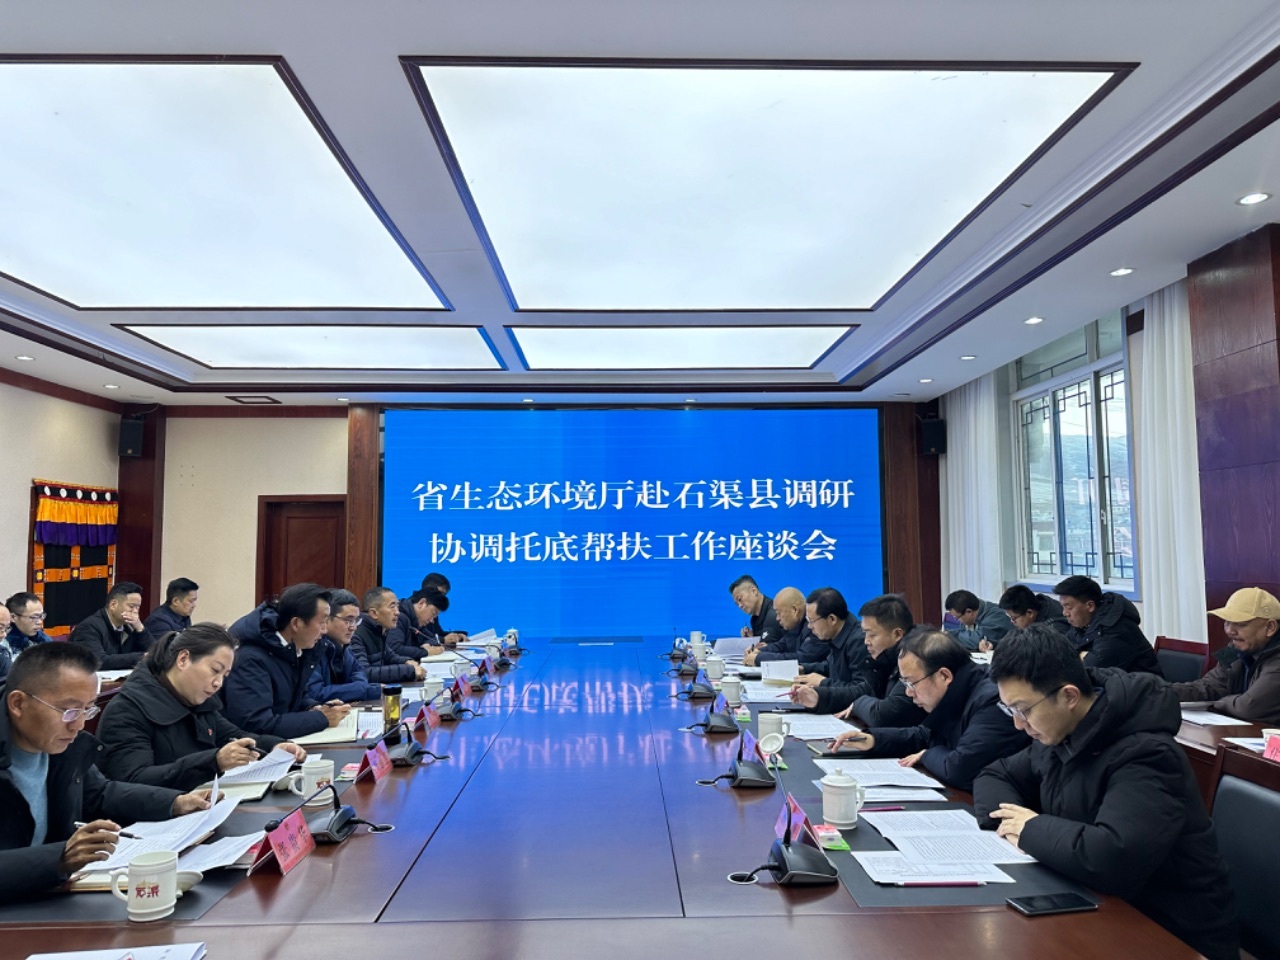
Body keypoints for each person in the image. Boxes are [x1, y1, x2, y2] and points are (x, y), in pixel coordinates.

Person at [975, 625, 1238, 960]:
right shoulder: (1059, 733)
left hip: (1169, 934)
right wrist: (1010, 823)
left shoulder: (1147, 754)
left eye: (1023, 709)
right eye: (1010, 710)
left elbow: (1114, 856)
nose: (1018, 723)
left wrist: (1030, 829)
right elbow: (995, 774)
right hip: (1090, 906)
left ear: (1069, 696)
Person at [0, 642, 211, 900]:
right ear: (18, 704)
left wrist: (175, 802)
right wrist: (59, 858)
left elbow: (99, 793)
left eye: (87, 709)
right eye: (68, 711)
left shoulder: (57, 744)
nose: (79, 725)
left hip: (44, 894)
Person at [97, 623, 306, 790]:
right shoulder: (126, 710)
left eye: (225, 675)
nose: (218, 683)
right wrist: (213, 762)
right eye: (215, 670)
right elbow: (133, 780)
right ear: (183, 659)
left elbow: (233, 736)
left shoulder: (199, 701)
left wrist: (273, 747)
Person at [831, 629, 1027, 791]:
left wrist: (927, 755)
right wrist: (873, 740)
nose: (908, 693)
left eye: (911, 683)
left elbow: (961, 769)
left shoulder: (993, 701)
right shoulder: (959, 690)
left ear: (944, 676)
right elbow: (926, 735)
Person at [223, 583, 350, 739]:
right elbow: (256, 724)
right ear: (296, 623)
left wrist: (314, 707)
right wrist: (322, 718)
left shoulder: (294, 649)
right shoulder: (251, 659)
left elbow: (294, 698)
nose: (325, 630)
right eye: (321, 622)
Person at [1169, 587, 1280, 725]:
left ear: (1270, 627)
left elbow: (1249, 707)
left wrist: (1219, 703)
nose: (1229, 631)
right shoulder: (1235, 648)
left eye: (1240, 624)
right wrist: (1163, 691)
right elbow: (1209, 687)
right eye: (1227, 622)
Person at [1055, 575, 1162, 675]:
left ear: (1090, 606)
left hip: (1143, 687)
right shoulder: (1083, 625)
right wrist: (1081, 656)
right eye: (1063, 607)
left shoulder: (1117, 628)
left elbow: (1088, 669)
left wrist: (1077, 656)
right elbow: (1060, 653)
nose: (1065, 613)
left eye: (1069, 607)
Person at [787, 587, 873, 702]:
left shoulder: (859, 641)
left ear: (832, 619)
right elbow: (832, 666)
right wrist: (804, 669)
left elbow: (861, 690)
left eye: (812, 621)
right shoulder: (837, 634)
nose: (809, 626)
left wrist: (823, 682)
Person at [308, 589, 382, 703]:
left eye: (356, 621)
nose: (353, 628)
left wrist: (361, 689)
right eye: (348, 620)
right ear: (326, 618)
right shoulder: (311, 646)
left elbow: (360, 677)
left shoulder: (344, 647)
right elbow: (315, 693)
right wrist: (365, 690)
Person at [68, 581, 151, 671]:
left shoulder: (129, 627)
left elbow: (155, 654)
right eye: (131, 606)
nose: (135, 611)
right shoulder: (89, 627)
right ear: (113, 605)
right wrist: (140, 657)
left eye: (138, 607)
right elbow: (98, 661)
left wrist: (140, 628)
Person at [352, 587, 422, 685]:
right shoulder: (356, 634)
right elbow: (364, 673)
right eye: (392, 606)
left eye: (397, 606)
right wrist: (408, 670)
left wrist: (407, 661)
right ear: (374, 613)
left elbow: (390, 656)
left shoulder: (379, 629)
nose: (397, 612)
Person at [745, 587, 826, 667]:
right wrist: (758, 651)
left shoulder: (815, 627)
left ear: (794, 610)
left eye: (779, 613)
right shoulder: (795, 626)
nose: (777, 618)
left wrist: (759, 659)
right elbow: (781, 646)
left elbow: (801, 659)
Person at [993, 584, 1070, 649]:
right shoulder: (1034, 607)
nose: (1012, 622)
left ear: (1029, 613)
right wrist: (994, 644)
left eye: (1013, 618)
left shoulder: (1054, 629)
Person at [387, 588, 449, 658]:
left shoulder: (417, 621)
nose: (432, 620)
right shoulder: (398, 617)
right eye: (433, 614)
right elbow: (394, 649)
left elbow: (432, 639)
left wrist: (427, 645)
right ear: (421, 603)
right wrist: (425, 652)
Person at [943, 589, 1011, 651]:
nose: (957, 621)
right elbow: (962, 634)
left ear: (969, 612)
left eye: (957, 617)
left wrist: (949, 636)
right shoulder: (970, 614)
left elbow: (977, 640)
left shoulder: (997, 615)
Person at [143, 577, 199, 643]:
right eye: (191, 601)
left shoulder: (183, 616)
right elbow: (167, 647)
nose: (194, 605)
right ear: (175, 601)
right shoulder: (158, 621)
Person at [730, 575, 782, 643]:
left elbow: (767, 647)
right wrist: (752, 640)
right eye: (737, 604)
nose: (740, 605)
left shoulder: (773, 614)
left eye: (740, 599)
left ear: (754, 591)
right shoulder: (754, 619)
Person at [419, 572, 466, 646]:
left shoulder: (433, 609)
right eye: (441, 594)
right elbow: (420, 641)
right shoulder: (409, 612)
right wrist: (442, 640)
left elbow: (437, 634)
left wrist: (457, 636)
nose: (442, 598)